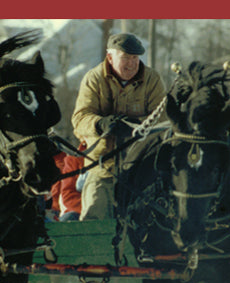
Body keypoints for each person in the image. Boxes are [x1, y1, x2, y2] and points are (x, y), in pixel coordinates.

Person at [71, 33, 167, 221]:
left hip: (143, 169)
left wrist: (136, 127)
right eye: (125, 58)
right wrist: (100, 124)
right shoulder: (94, 79)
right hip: (102, 167)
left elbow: (163, 118)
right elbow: (79, 119)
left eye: (135, 58)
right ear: (110, 57)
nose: (131, 64)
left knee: (151, 221)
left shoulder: (152, 80)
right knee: (93, 221)